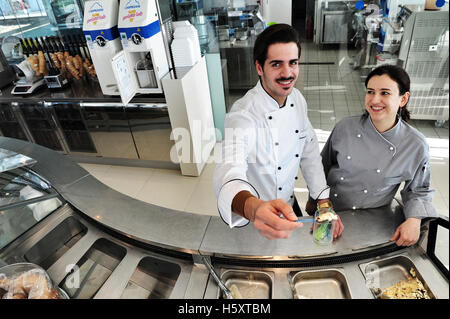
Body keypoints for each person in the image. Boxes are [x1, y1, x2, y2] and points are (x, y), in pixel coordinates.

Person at [213, 24, 343, 240]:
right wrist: (254, 209)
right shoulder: (243, 115)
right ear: (259, 68)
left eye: (293, 63)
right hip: (256, 215)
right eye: (276, 64)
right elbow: (227, 172)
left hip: (290, 206)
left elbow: (309, 152)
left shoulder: (298, 99)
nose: (287, 73)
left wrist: (323, 202)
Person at [309, 64, 438, 246]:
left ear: (403, 99)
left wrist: (414, 220)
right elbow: (322, 167)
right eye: (370, 92)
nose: (375, 99)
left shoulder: (415, 145)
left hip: (373, 219)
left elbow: (418, 190)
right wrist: (318, 204)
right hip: (331, 213)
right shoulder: (345, 128)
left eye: (385, 93)